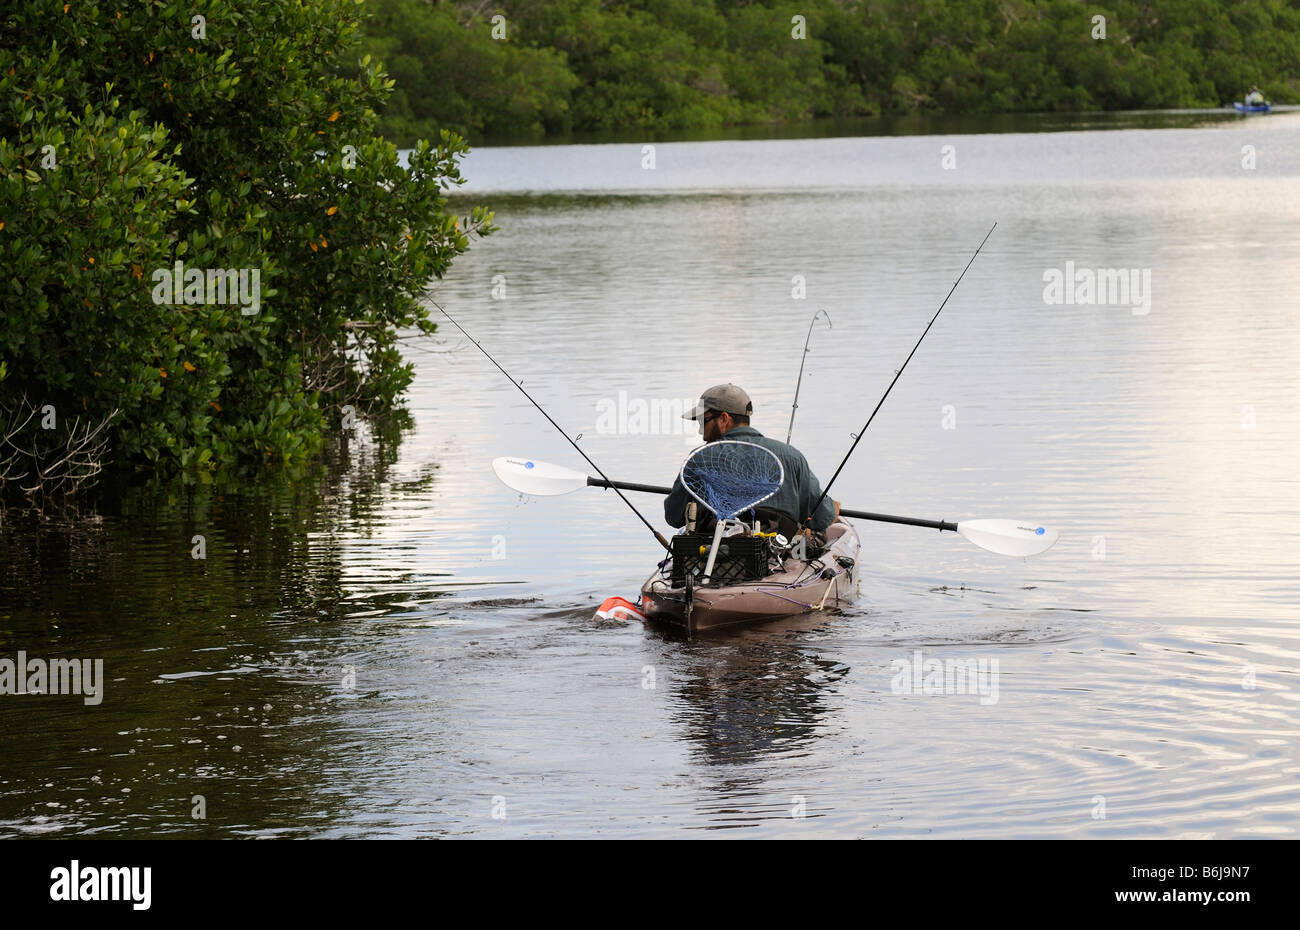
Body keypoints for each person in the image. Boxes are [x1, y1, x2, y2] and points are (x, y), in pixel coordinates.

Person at [664, 383, 837, 537]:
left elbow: (674, 516)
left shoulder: (698, 458)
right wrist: (834, 508)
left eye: (703, 421)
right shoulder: (791, 455)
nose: (701, 433)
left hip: (714, 555)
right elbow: (821, 518)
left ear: (724, 419)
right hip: (780, 558)